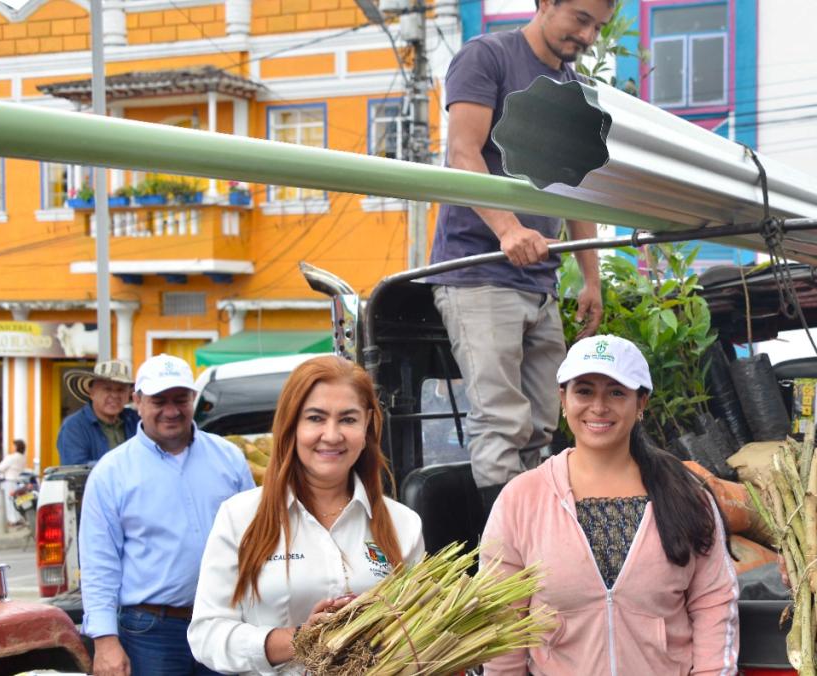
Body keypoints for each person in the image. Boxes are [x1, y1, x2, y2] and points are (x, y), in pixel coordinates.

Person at [427, 0, 612, 513]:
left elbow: (577, 189)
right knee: (501, 420)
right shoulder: (487, 57)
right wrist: (508, 229)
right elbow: (462, 153)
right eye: (581, 19)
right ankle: (507, 566)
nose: (589, 36)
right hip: (477, 272)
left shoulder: (572, 89)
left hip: (541, 280)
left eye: (598, 27)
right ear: (545, 4)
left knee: (542, 425)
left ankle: (539, 546)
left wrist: (591, 279)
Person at [481, 335, 739, 675]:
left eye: (616, 392)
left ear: (641, 402)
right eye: (584, 391)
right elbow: (504, 624)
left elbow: (713, 604)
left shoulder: (685, 494)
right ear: (563, 398)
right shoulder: (522, 499)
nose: (599, 407)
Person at [189, 356, 426, 675]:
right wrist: (300, 639)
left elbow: (422, 627)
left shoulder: (403, 524)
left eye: (348, 419)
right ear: (291, 423)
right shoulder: (241, 517)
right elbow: (207, 634)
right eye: (316, 418)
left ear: (367, 423)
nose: (332, 435)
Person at [80, 354, 256, 676]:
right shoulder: (111, 473)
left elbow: (255, 540)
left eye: (180, 399)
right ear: (137, 401)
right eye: (159, 400)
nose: (172, 411)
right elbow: (99, 563)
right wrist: (105, 641)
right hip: (150, 632)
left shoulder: (228, 459)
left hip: (225, 621)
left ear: (193, 398)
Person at [58, 359, 142, 466]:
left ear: (128, 394)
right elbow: (76, 468)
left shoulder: (136, 420)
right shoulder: (74, 426)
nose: (115, 395)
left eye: (120, 390)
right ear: (92, 392)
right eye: (107, 389)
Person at [0, 439, 28, 527]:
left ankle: (12, 519)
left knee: (9, 501)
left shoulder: (11, 457)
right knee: (18, 500)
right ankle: (18, 518)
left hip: (9, 480)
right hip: (18, 481)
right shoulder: (23, 457)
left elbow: (0, 468)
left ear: (16, 447)